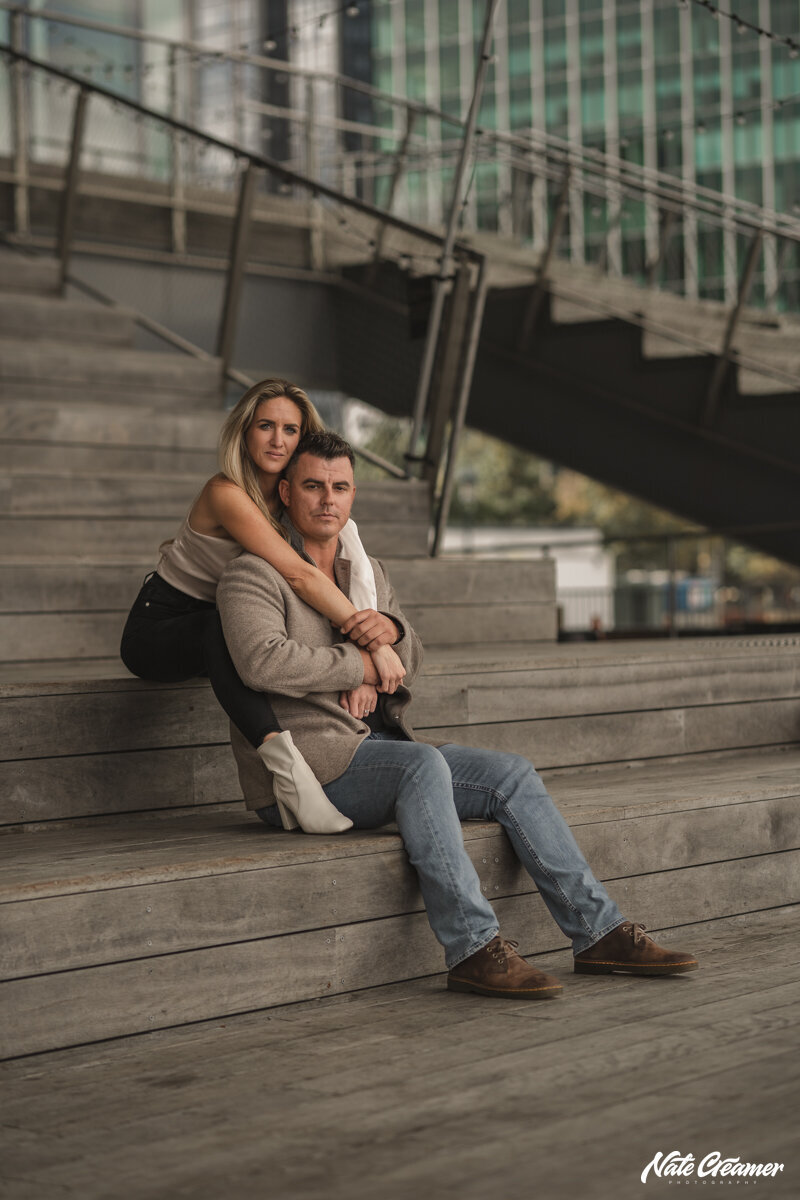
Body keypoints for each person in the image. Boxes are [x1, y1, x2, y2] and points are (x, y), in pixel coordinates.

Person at [216, 431, 699, 1000]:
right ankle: (472, 947)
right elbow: (261, 664)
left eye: (340, 487)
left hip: (381, 748)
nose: (328, 499)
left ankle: (598, 933)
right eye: (314, 486)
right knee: (421, 766)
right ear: (285, 492)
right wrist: (363, 664)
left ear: (353, 495)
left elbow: (411, 655)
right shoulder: (251, 574)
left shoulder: (364, 571)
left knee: (511, 773)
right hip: (309, 769)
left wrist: (391, 633)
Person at [120, 379, 406, 835]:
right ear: (244, 432)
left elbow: (350, 554)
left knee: (243, 630)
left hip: (227, 617)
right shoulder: (226, 492)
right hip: (162, 626)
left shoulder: (295, 493)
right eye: (265, 426)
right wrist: (368, 650)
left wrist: (378, 636)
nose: (278, 440)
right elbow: (299, 575)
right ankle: (289, 773)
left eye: (290, 430)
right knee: (221, 629)